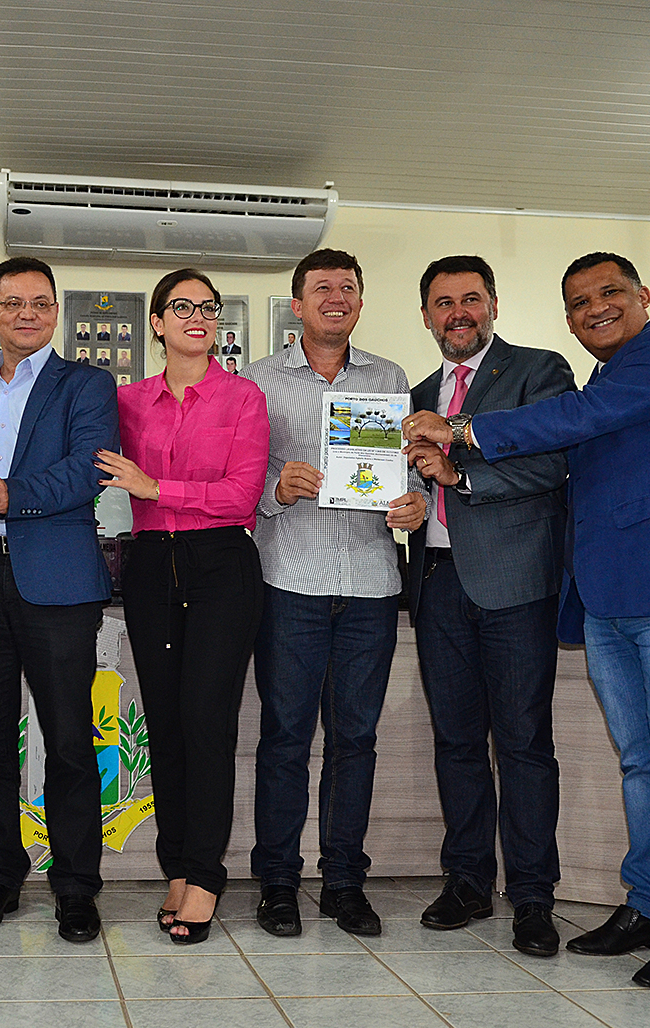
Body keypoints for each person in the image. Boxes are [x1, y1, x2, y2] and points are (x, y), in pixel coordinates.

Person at [402, 251, 650, 989]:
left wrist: (463, 433)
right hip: (607, 594)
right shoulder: (604, 378)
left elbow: (573, 428)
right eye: (579, 302)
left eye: (609, 292)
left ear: (643, 295)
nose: (596, 308)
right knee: (642, 764)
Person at [240, 248, 428, 939]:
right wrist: (276, 487)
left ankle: (345, 881)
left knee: (356, 740)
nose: (336, 297)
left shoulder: (389, 377)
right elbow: (239, 478)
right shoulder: (256, 381)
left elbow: (409, 467)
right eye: (322, 287)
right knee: (285, 738)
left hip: (372, 584)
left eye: (347, 287)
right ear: (297, 305)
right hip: (289, 580)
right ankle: (278, 883)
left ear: (359, 302)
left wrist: (415, 500)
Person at [402, 256, 575, 957]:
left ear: (493, 304)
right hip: (436, 583)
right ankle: (468, 880)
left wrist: (459, 474)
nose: (458, 313)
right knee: (456, 742)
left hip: (515, 584)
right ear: (426, 316)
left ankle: (532, 895)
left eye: (470, 299)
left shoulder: (538, 371)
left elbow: (554, 461)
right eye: (443, 303)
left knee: (524, 743)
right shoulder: (414, 394)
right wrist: (408, 503)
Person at [94, 269, 268, 945]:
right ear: (157, 323)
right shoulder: (126, 400)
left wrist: (154, 486)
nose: (198, 316)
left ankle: (205, 875)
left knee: (205, 721)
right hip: (149, 567)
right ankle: (177, 867)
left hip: (222, 564)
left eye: (208, 307)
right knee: (163, 726)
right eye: (183, 306)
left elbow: (240, 497)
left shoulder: (242, 396)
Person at [0, 257, 119, 943]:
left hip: (57, 584)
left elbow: (89, 468)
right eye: (13, 302)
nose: (27, 313)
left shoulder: (87, 384)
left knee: (70, 741)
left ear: (56, 313)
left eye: (40, 303)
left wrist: (14, 494)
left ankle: (75, 886)